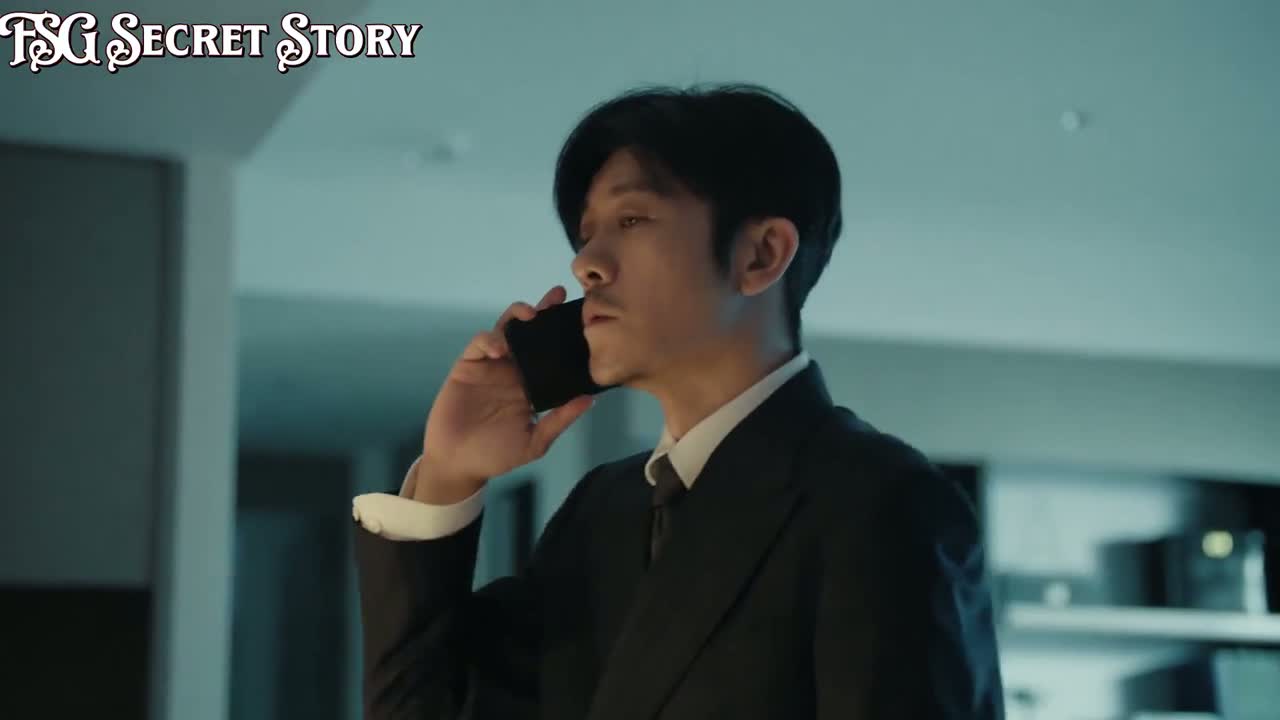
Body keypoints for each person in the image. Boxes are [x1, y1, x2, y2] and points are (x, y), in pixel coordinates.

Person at [350, 83, 1004, 719]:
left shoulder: (881, 503)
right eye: (586, 234)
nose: (586, 264)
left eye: (631, 220)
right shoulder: (601, 512)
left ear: (761, 255)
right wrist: (449, 474)